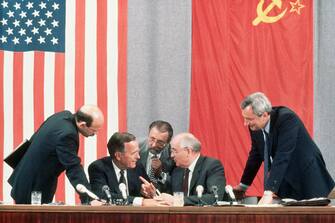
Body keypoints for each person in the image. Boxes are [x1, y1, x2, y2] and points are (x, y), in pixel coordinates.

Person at [234, 92, 335, 204]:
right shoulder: (255, 126)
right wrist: (243, 185)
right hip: (285, 179)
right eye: (245, 118)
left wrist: (269, 191)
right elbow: (256, 154)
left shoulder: (287, 119)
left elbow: (283, 155)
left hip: (306, 175)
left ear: (265, 115)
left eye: (249, 119)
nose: (245, 123)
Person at [8, 105, 104, 204]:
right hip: (33, 187)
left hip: (24, 177)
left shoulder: (62, 116)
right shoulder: (67, 135)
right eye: (94, 130)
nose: (95, 134)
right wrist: (89, 198)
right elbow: (73, 168)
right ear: (82, 125)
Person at [143, 132, 227, 206]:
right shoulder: (177, 170)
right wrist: (154, 194)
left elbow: (214, 197)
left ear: (188, 151)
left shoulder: (211, 166)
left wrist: (178, 200)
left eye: (174, 151)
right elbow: (169, 196)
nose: (171, 155)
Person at [88, 132, 167, 206]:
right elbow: (102, 197)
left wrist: (151, 194)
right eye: (133, 153)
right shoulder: (98, 168)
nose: (138, 157)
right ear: (118, 156)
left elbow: (149, 196)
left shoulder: (137, 166)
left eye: (138, 152)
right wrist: (140, 201)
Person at [139, 120, 175, 192]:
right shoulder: (137, 148)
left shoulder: (174, 154)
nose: (154, 144)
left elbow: (178, 183)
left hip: (164, 196)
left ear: (168, 142)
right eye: (152, 139)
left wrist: (160, 173)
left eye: (160, 142)